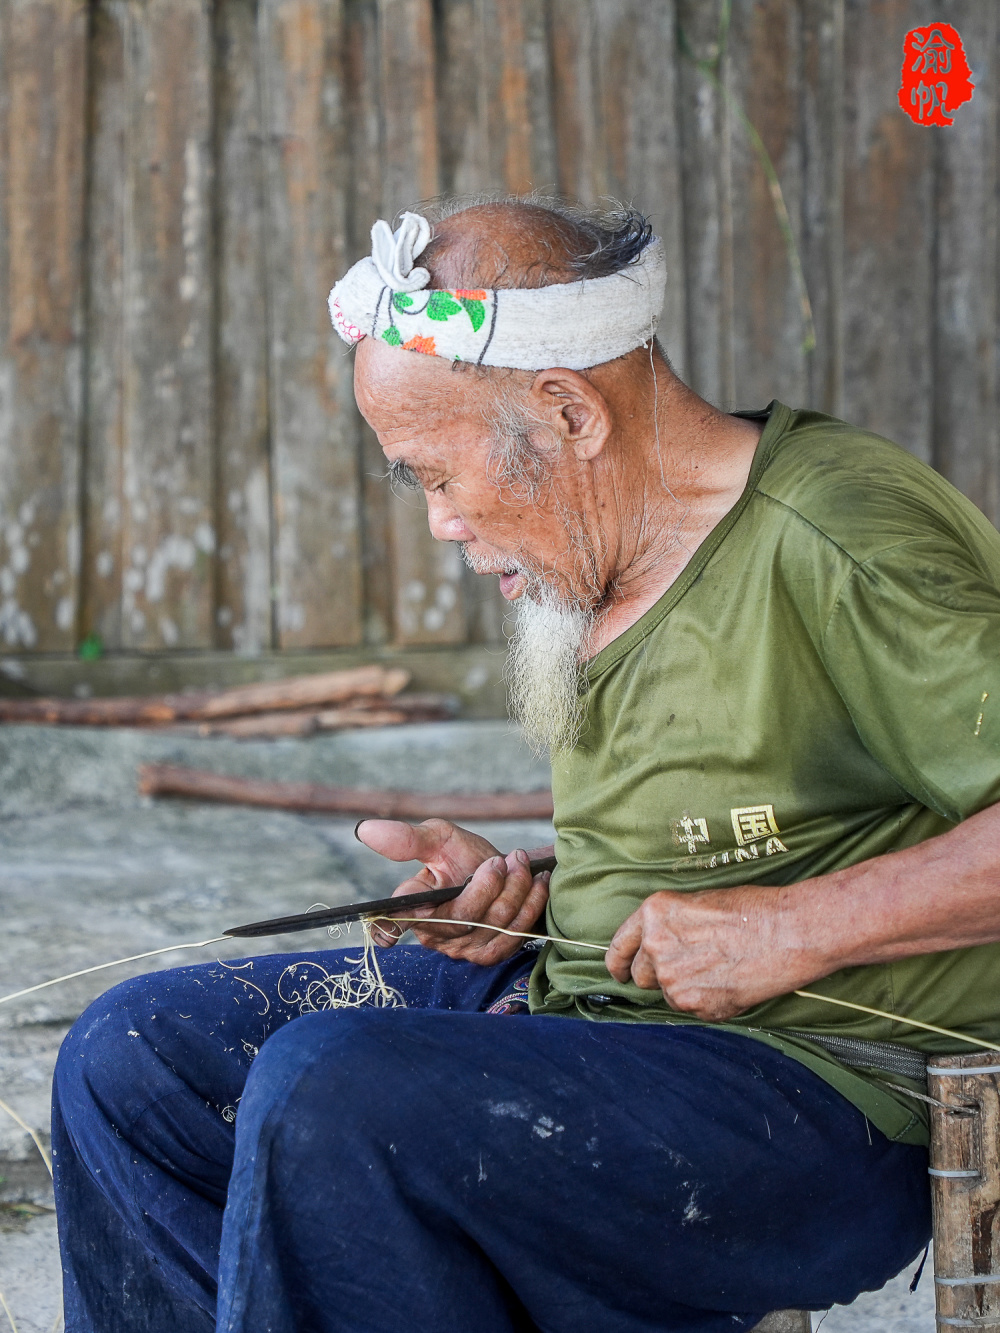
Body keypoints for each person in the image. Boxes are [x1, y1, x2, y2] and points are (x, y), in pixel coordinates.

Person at [52, 198, 1000, 1333]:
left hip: (822, 1097)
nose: (443, 525)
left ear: (566, 412)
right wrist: (533, 895)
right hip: (594, 1010)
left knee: (331, 1090)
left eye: (440, 476)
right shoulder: (611, 550)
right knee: (129, 1058)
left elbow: (808, 873)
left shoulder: (841, 539)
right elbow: (766, 810)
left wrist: (792, 928)